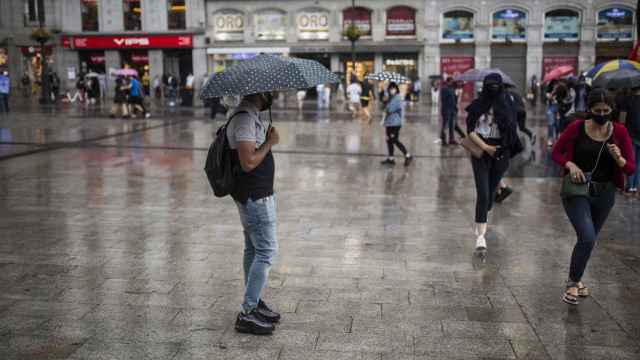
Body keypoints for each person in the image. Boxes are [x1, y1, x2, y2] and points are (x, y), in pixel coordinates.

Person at [552, 88, 635, 305]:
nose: (602, 114)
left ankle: (577, 280)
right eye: (597, 110)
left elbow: (631, 169)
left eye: (606, 110)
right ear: (590, 109)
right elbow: (556, 152)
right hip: (577, 191)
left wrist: (620, 159)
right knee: (587, 236)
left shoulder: (620, 132)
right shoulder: (577, 128)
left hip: (605, 193)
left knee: (588, 241)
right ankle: (572, 283)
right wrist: (570, 164)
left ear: (612, 110)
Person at [226, 91, 281, 335]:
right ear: (261, 92)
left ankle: (254, 301)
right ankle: (247, 312)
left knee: (253, 249)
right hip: (254, 197)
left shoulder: (251, 116)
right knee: (267, 251)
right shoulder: (244, 119)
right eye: (273, 92)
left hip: (255, 194)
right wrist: (270, 143)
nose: (275, 95)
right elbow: (248, 162)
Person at [465, 73, 523, 252]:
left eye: (495, 85)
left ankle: (486, 210)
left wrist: (503, 146)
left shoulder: (507, 104)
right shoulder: (478, 104)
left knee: (489, 196)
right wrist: (484, 147)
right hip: (481, 151)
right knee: (482, 193)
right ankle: (480, 236)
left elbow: (513, 129)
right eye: (489, 85)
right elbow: (469, 130)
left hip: (501, 153)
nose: (493, 89)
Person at [381, 82, 413, 166]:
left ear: (396, 89)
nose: (392, 90)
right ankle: (391, 159)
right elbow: (384, 109)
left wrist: (386, 102)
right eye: (390, 88)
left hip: (395, 123)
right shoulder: (391, 97)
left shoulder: (397, 98)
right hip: (389, 123)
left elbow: (390, 109)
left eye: (393, 88)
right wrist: (385, 101)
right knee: (389, 140)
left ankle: (408, 155)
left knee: (394, 140)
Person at [622, 86, 640, 194]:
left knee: (630, 161)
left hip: (631, 136)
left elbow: (622, 119)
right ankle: (635, 186)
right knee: (639, 163)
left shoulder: (627, 99)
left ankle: (629, 186)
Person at [440, 78, 458, 145]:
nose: (452, 83)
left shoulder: (452, 89)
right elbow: (444, 100)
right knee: (445, 125)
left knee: (451, 125)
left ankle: (451, 139)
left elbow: (454, 99)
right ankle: (443, 139)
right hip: (446, 109)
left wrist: (455, 108)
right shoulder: (444, 89)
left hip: (452, 109)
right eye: (451, 82)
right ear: (448, 82)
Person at [545, 80, 560, 146]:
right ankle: (550, 139)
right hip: (551, 108)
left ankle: (557, 138)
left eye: (556, 84)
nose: (555, 85)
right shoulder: (549, 92)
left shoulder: (560, 91)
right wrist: (553, 92)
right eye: (554, 84)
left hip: (559, 109)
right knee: (550, 124)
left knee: (557, 124)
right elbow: (549, 97)